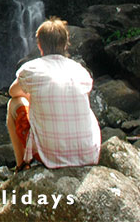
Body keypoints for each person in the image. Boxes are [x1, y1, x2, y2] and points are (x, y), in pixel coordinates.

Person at [7, 16, 101, 171]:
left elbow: (13, 92)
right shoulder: (80, 71)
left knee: (15, 102)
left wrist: (32, 97)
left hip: (50, 155)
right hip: (88, 154)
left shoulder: (31, 69)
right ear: (65, 44)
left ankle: (22, 165)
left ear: (39, 45)